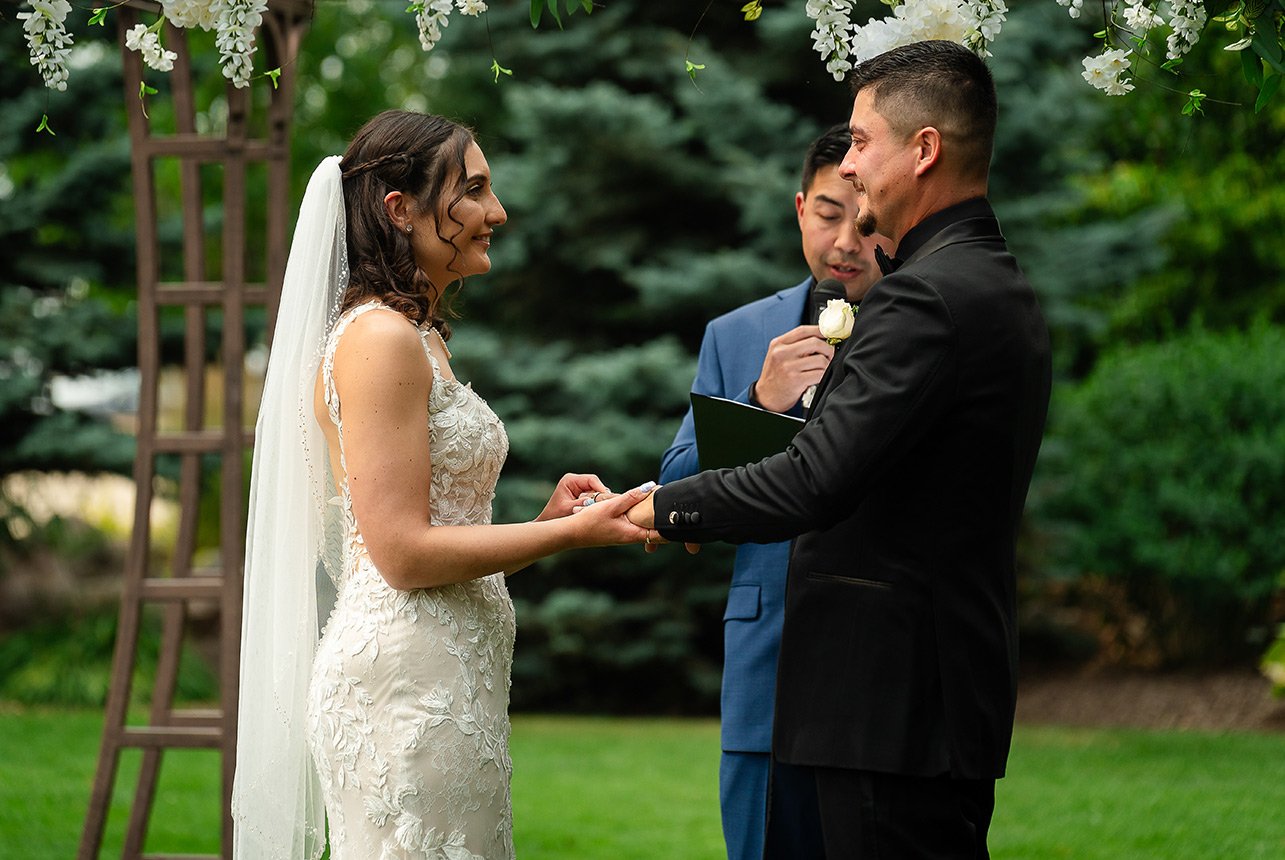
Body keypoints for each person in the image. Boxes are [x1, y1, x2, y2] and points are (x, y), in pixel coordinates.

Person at [631, 41, 1052, 857]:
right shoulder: (990, 280)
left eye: (861, 142)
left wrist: (660, 505)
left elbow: (813, 480)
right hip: (914, 708)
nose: (850, 167)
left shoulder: (928, 297)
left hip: (889, 713)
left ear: (922, 149)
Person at [231, 110, 658, 860]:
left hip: (450, 677)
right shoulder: (380, 339)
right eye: (474, 191)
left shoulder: (419, 335)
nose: (497, 213)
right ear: (400, 210)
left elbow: (437, 536)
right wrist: (574, 532)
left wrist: (543, 520)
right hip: (406, 690)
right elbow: (398, 554)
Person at [658, 123, 890, 860]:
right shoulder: (736, 335)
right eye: (827, 213)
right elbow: (675, 492)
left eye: (865, 220)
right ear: (798, 210)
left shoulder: (921, 326)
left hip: (880, 672)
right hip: (766, 668)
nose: (845, 241)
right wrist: (759, 400)